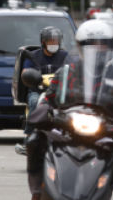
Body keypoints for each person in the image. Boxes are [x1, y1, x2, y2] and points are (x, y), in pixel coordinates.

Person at [26, 19, 113, 200]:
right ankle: (36, 191)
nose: (96, 50)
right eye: (90, 45)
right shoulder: (67, 72)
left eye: (102, 46)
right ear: (80, 48)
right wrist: (44, 111)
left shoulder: (111, 73)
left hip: (106, 127)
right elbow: (49, 98)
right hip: (68, 125)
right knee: (35, 140)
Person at [15, 26, 68, 155]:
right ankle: (29, 138)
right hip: (38, 91)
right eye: (51, 41)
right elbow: (25, 72)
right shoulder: (32, 56)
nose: (54, 44)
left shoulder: (65, 56)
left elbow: (72, 69)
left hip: (59, 92)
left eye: (56, 41)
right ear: (43, 42)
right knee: (34, 103)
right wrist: (32, 76)